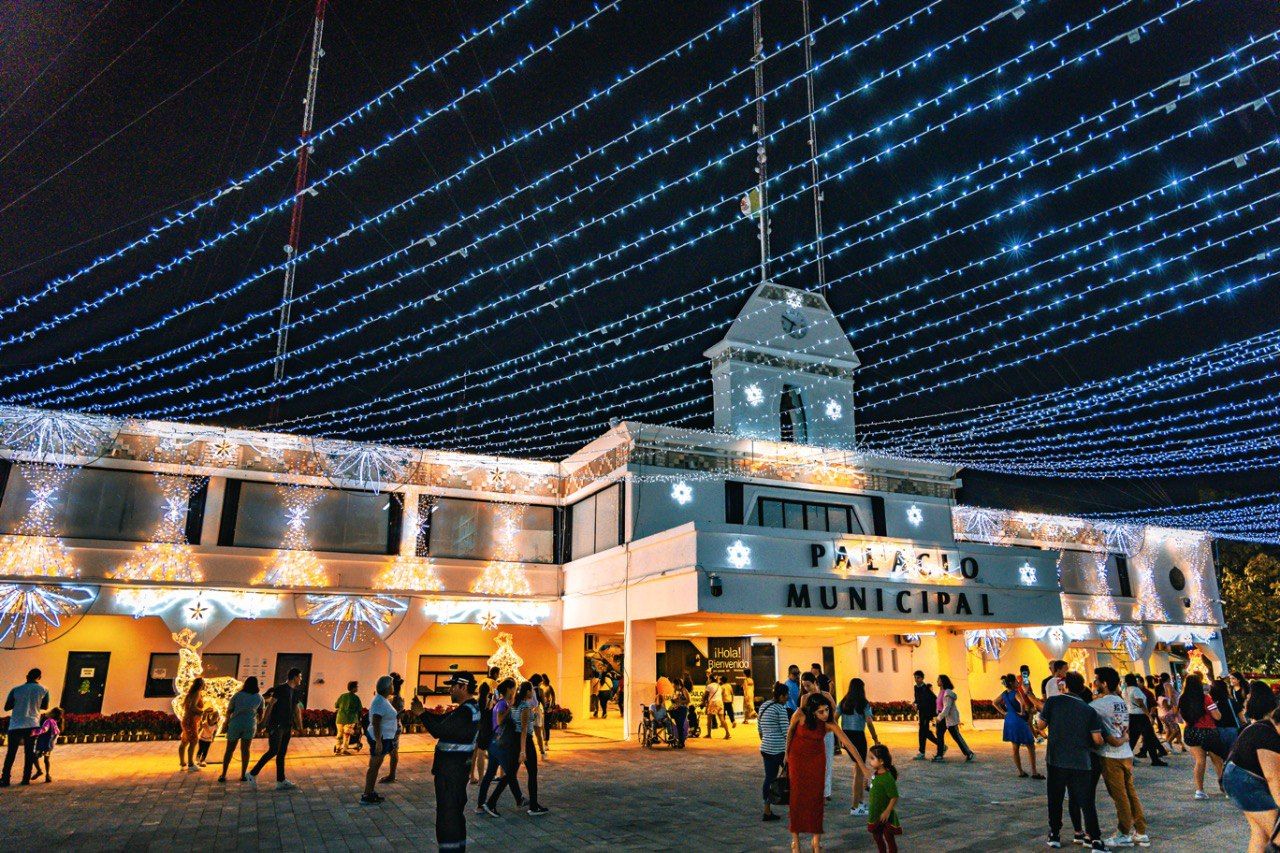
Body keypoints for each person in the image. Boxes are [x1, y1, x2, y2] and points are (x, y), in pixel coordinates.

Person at [785, 692, 868, 853]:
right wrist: (786, 754)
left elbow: (849, 744)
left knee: (817, 798)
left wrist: (863, 767)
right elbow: (790, 732)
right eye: (821, 711)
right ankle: (795, 841)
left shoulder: (829, 723)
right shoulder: (800, 714)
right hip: (797, 758)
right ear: (812, 712)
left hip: (816, 760)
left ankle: (816, 842)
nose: (825, 714)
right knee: (797, 799)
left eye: (827, 710)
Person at [1035, 671, 1107, 850]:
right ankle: (1095, 839)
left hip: (1056, 760)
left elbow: (1041, 725)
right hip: (1081, 762)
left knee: (1055, 797)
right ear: (1082, 688)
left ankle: (1055, 834)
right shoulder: (1089, 710)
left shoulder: (1053, 702)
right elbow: (1097, 739)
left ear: (1064, 686)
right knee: (1086, 801)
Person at [1092, 667, 1151, 848]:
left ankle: (1124, 832)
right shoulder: (1120, 702)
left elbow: (1084, 711)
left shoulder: (1099, 704)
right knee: (1130, 792)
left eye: (1097, 680)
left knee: (1119, 795)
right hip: (1125, 753)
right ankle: (1140, 830)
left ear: (1104, 683)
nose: (1094, 683)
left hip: (1111, 755)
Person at [422, 671, 482, 850]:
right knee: (455, 813)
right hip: (457, 770)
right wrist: (423, 713)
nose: (450, 690)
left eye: (453, 686)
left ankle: (449, 849)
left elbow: (439, 730)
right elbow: (444, 720)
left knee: (448, 815)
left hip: (450, 772)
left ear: (463, 687)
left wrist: (421, 715)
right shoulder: (469, 708)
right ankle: (457, 848)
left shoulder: (465, 712)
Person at [1222, 705, 1280, 853]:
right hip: (1244, 783)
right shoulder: (1268, 736)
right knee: (1277, 836)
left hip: (1238, 780)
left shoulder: (1264, 728)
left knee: (1260, 834)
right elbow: (1273, 777)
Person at [248, 667, 303, 790]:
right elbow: (271, 705)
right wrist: (264, 722)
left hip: (287, 725)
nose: (301, 679)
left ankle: (281, 780)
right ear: (294, 677)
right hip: (277, 724)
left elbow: (296, 709)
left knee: (282, 752)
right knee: (273, 750)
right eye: (300, 676)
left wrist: (300, 725)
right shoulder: (281, 689)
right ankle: (252, 773)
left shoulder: (295, 692)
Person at [1179, 673, 1227, 800]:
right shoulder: (1206, 698)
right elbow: (1217, 716)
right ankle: (1225, 788)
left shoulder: (1182, 699)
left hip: (1191, 732)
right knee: (1217, 761)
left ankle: (1199, 791)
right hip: (1208, 732)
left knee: (1200, 761)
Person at [838, 677, 880, 815]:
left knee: (858, 769)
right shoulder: (863, 703)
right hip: (858, 737)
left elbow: (834, 717)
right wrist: (875, 738)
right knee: (859, 771)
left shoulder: (844, 702)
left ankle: (860, 803)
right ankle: (855, 806)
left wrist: (839, 736)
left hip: (846, 736)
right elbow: (869, 721)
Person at [479, 678, 521, 815]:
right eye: (514, 688)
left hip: (494, 742)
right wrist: (510, 709)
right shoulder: (502, 704)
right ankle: (492, 803)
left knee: (491, 774)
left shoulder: (500, 703)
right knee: (510, 772)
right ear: (509, 689)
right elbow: (500, 720)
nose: (515, 690)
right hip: (499, 743)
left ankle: (481, 804)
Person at [2, 668, 48, 787]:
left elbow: (7, 707)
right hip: (32, 724)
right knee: (29, 752)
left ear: (27, 676)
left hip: (16, 724)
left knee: (11, 753)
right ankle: (26, 779)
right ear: (39, 677)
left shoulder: (16, 690)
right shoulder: (44, 690)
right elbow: (45, 706)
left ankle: (5, 779)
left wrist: (20, 703)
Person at [361, 675, 398, 805]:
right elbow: (376, 721)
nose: (393, 687)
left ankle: (370, 792)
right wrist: (378, 742)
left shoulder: (383, 699)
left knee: (375, 766)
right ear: (387, 687)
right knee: (374, 766)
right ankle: (367, 794)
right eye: (391, 684)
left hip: (385, 737)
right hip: (380, 738)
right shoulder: (380, 702)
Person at [995, 673, 1041, 779]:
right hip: (1018, 720)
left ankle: (1021, 771)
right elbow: (1022, 703)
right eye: (1016, 681)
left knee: (1015, 747)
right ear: (1012, 683)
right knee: (1030, 745)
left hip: (1009, 719)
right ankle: (1034, 772)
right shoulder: (1016, 692)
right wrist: (1022, 712)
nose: (1018, 682)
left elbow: (994, 703)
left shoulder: (1004, 694)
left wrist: (1004, 712)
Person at [514, 681, 550, 815]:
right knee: (532, 773)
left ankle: (490, 802)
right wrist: (523, 750)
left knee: (511, 773)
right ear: (528, 692)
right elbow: (524, 729)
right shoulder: (525, 706)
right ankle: (533, 806)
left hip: (517, 740)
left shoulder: (516, 704)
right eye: (531, 691)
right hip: (526, 741)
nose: (533, 693)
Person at [219, 676, 263, 783]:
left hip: (235, 724)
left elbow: (229, 711)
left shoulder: (237, 695)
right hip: (249, 725)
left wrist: (225, 724)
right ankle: (243, 775)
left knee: (229, 750)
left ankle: (223, 774)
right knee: (245, 750)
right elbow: (260, 714)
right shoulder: (259, 697)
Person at [758, 682, 790, 823]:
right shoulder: (780, 709)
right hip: (779, 749)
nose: (788, 698)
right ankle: (796, 807)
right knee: (792, 777)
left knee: (769, 778)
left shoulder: (764, 706)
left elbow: (759, 728)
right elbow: (786, 732)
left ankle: (767, 810)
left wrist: (767, 739)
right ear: (781, 696)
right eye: (787, 695)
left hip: (766, 748)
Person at [1124, 673, 1167, 766]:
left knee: (1133, 738)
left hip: (1131, 715)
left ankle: (1126, 758)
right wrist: (1149, 715)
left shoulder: (1125, 690)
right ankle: (1155, 760)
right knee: (1149, 737)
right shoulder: (1136, 690)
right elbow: (1141, 704)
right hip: (1141, 716)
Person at [866, 743, 902, 853]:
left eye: (872, 758)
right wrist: (867, 787)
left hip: (885, 816)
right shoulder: (876, 774)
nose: (870, 761)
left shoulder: (887, 778)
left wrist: (887, 811)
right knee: (877, 837)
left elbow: (894, 796)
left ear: (881, 761)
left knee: (889, 839)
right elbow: (876, 790)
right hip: (875, 813)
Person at [932, 674, 974, 762]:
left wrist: (939, 717)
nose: (937, 681)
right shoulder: (941, 691)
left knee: (956, 736)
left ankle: (969, 753)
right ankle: (939, 755)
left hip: (948, 717)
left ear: (943, 681)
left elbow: (947, 707)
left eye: (938, 680)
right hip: (941, 716)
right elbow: (939, 705)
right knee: (939, 735)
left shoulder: (947, 693)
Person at [381, 672, 407, 783]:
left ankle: (392, 775)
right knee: (392, 751)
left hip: (392, 727)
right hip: (391, 726)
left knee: (393, 751)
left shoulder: (396, 699)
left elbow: (396, 715)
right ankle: (391, 774)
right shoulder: (392, 697)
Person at [911, 671, 940, 760]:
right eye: (915, 677)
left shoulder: (926, 688)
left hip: (926, 713)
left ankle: (922, 752)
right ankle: (940, 745)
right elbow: (917, 699)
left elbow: (933, 699)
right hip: (921, 713)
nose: (916, 679)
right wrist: (914, 703)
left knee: (922, 732)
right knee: (924, 732)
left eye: (918, 678)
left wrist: (933, 712)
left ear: (922, 678)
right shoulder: (916, 687)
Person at [29, 707, 61, 784]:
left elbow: (44, 729)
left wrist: (33, 732)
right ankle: (47, 775)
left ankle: (39, 771)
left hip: (42, 743)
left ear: (53, 713)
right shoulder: (54, 722)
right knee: (46, 760)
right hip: (49, 744)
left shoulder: (48, 720)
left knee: (34, 757)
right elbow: (57, 732)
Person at [1212, 677, 1245, 753]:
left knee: (1221, 756)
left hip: (1217, 731)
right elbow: (1242, 718)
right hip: (1232, 730)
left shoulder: (1211, 703)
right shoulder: (1232, 702)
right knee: (1233, 754)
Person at [179, 676, 205, 771]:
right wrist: (203, 711)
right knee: (193, 741)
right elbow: (192, 707)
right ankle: (191, 764)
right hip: (191, 720)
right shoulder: (197, 693)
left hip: (187, 719)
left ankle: (182, 763)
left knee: (184, 741)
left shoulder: (190, 694)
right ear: (201, 685)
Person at [1158, 673, 1186, 753]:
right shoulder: (1168, 685)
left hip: (1165, 711)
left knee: (1170, 729)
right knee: (1175, 729)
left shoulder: (1162, 686)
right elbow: (1170, 697)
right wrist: (1173, 706)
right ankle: (1168, 743)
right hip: (1172, 708)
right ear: (1168, 678)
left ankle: (1173, 746)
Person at [334, 680, 363, 756]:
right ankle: (344, 750)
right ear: (353, 688)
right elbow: (360, 710)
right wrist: (359, 720)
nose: (357, 688)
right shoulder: (356, 698)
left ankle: (337, 749)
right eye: (356, 687)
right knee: (346, 735)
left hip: (340, 718)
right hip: (350, 719)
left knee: (339, 734)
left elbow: (336, 705)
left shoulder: (342, 696)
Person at [704, 673, 730, 740]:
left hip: (713, 702)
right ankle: (727, 733)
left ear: (710, 679)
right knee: (722, 719)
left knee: (709, 719)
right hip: (720, 702)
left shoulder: (709, 686)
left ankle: (709, 734)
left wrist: (703, 702)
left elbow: (705, 695)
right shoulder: (719, 686)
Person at [670, 679, 690, 748]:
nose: (673, 687)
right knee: (678, 725)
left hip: (682, 709)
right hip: (676, 709)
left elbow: (688, 700)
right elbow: (674, 700)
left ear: (678, 684)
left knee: (680, 725)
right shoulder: (675, 691)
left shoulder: (684, 690)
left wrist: (680, 701)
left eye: (674, 685)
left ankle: (681, 742)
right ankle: (680, 741)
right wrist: (673, 700)